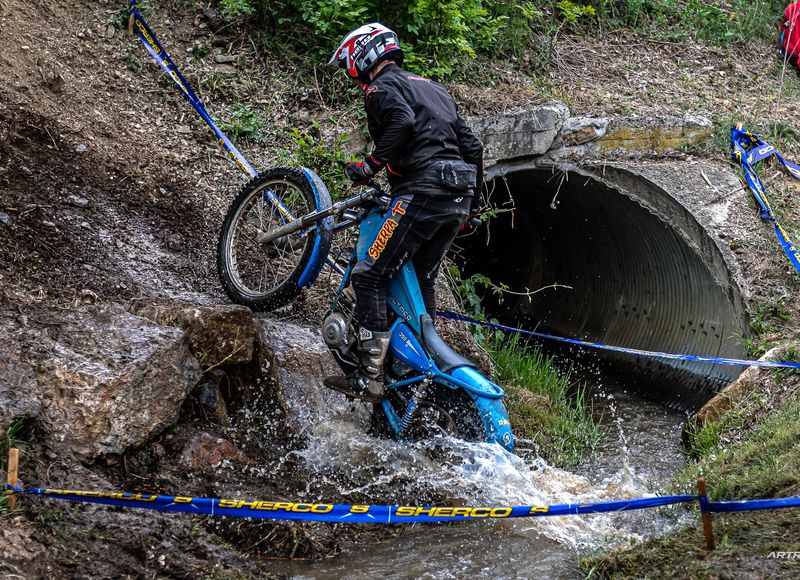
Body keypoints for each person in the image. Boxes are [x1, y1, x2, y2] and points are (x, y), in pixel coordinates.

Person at [323, 22, 484, 403]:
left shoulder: (380, 88)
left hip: (422, 192)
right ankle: (423, 368)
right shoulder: (434, 89)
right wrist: (474, 204)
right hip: (457, 197)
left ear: (363, 56)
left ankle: (369, 376)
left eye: (351, 67)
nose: (354, 77)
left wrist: (370, 166)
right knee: (421, 277)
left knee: (369, 275)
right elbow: (473, 148)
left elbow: (402, 122)